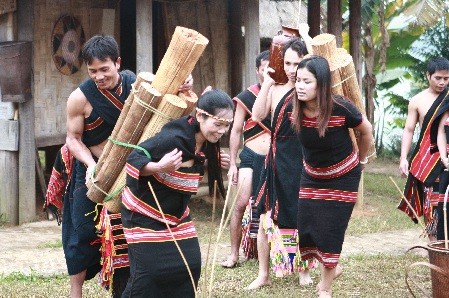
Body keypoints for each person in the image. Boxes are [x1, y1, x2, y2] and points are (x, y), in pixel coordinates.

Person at [63, 34, 193, 297]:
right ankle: (75, 292)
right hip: (93, 171)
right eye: (93, 72)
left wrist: (185, 85)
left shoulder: (140, 86)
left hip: (134, 171)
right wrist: (90, 165)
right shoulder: (79, 98)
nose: (99, 76)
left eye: (104, 69)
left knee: (134, 232)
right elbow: (73, 139)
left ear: (118, 63)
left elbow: (169, 105)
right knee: (83, 231)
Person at [120, 89, 233, 297]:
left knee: (189, 266)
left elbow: (192, 163)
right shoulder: (172, 139)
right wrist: (158, 167)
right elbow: (134, 159)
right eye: (218, 124)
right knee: (149, 275)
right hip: (143, 213)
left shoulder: (207, 143)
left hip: (176, 214)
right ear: (200, 116)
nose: (221, 131)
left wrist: (210, 163)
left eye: (226, 126)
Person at [291, 55, 373, 297]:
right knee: (306, 228)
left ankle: (324, 287)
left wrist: (362, 160)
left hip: (343, 176)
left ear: (322, 84)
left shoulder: (341, 107)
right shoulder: (292, 107)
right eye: (298, 80)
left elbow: (365, 131)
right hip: (312, 175)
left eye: (307, 81)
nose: (300, 86)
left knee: (330, 231)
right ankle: (331, 266)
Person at [248, 37, 312, 290]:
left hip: (303, 157)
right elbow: (257, 115)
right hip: (276, 158)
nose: (292, 69)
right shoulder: (275, 88)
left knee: (302, 214)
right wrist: (267, 84)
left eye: (297, 63)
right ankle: (263, 273)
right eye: (287, 62)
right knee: (266, 215)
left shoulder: (310, 89)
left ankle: (304, 270)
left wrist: (306, 37)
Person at [221, 50, 271, 268]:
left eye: (272, 68)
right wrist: (232, 163)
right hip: (250, 156)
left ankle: (275, 255)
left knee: (275, 206)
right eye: (264, 68)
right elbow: (236, 131)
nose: (268, 72)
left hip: (276, 158)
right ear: (257, 70)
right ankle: (234, 254)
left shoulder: (282, 94)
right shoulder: (246, 97)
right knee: (240, 203)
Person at [398, 57, 449, 239]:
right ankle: (434, 246)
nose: (442, 82)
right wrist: (404, 158)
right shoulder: (417, 100)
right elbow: (409, 130)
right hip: (427, 160)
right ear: (428, 76)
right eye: (438, 78)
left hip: (447, 159)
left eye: (446, 78)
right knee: (431, 203)